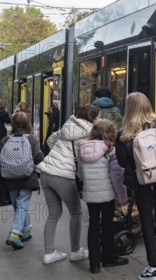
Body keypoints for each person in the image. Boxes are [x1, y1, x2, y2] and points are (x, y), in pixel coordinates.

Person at [115, 92, 156, 280]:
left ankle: (153, 267)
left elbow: (122, 162)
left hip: (141, 180)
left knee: (146, 220)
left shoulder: (124, 133)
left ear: (129, 108)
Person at [37, 104, 100, 264]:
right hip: (63, 175)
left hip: (46, 172)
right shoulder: (89, 132)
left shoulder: (69, 125)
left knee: (53, 213)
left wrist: (59, 155)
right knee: (76, 212)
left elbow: (51, 139)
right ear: (92, 118)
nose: (100, 119)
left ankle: (49, 253)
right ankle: (75, 251)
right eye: (98, 116)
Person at [78, 119, 129, 273]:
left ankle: (94, 264)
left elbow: (80, 175)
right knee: (107, 226)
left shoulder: (82, 148)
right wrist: (122, 199)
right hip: (107, 195)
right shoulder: (110, 150)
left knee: (93, 226)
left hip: (90, 195)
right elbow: (116, 178)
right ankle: (109, 258)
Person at [0, 112, 44, 249]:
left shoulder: (5, 140)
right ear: (28, 123)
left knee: (18, 205)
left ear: (12, 124)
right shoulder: (31, 139)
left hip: (9, 178)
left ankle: (26, 231)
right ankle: (15, 234)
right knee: (22, 205)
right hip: (27, 178)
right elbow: (38, 157)